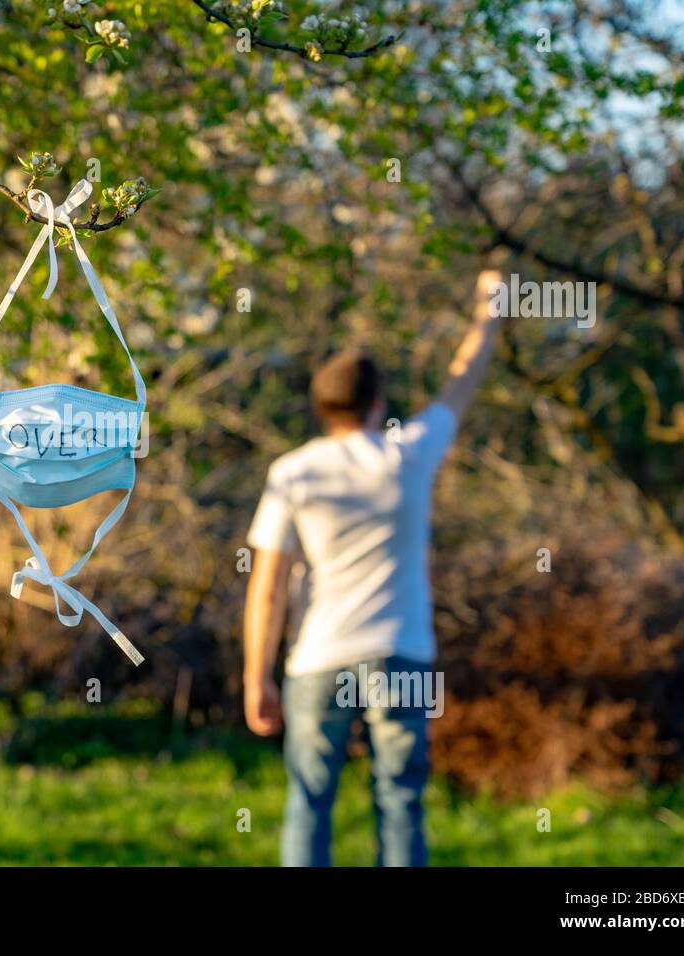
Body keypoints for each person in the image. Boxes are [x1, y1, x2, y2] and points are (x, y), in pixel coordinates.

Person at [243, 269, 504, 866]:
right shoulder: (409, 454)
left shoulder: (294, 472)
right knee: (401, 797)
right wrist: (489, 310)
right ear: (378, 404)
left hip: (319, 655)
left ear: (319, 406)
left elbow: (267, 589)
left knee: (309, 799)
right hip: (402, 649)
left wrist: (256, 676)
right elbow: (460, 385)